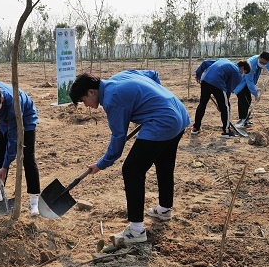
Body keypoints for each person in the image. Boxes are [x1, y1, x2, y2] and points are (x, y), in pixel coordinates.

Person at [69, 70, 190, 246]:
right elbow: (154, 74)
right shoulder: (120, 76)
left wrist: (101, 164)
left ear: (91, 92)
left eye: (83, 101)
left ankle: (136, 230)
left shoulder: (112, 99)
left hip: (162, 121)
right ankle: (164, 209)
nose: (86, 105)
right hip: (178, 114)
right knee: (164, 162)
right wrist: (157, 101)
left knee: (132, 170)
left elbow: (118, 139)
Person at [0, 81, 41, 216]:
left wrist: (5, 165)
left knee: (27, 158)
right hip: (5, 121)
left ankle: (34, 199)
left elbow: (13, 141)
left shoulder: (13, 106)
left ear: (1, 99)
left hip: (25, 120)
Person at [191, 59, 251, 137]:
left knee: (202, 104)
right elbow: (229, 89)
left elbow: (205, 63)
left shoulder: (224, 60)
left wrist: (198, 75)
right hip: (217, 82)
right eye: (244, 72)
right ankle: (226, 131)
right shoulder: (237, 73)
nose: (242, 74)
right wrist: (222, 104)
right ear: (242, 68)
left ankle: (196, 127)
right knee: (226, 107)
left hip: (205, 80)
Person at [233, 52, 269, 126]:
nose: (263, 64)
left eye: (264, 63)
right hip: (241, 83)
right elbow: (250, 82)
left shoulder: (263, 60)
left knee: (248, 99)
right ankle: (243, 119)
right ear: (259, 57)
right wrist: (256, 94)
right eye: (262, 62)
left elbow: (268, 63)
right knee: (244, 100)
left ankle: (245, 119)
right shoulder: (250, 65)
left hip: (247, 83)